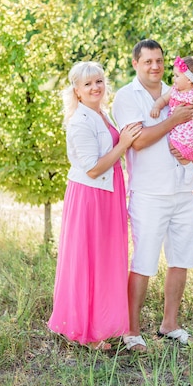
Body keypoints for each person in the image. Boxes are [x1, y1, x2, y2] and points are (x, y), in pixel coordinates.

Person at [48, 61, 142, 350]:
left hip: (108, 194)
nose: (95, 87)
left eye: (99, 81)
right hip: (90, 197)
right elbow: (91, 169)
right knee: (88, 261)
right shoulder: (80, 121)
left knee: (106, 260)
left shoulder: (101, 114)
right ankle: (86, 333)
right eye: (87, 84)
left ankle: (103, 324)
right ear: (76, 90)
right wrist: (123, 144)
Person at [112, 39, 193, 352]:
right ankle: (132, 330)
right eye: (148, 61)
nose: (155, 66)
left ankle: (169, 324)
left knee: (181, 259)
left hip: (183, 188)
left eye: (160, 60)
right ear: (135, 63)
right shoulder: (126, 97)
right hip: (149, 193)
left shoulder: (179, 90)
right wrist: (172, 120)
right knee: (144, 260)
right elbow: (138, 141)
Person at [150, 55, 193, 174]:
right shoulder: (174, 90)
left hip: (191, 129)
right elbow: (163, 99)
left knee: (178, 148)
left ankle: (190, 169)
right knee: (173, 146)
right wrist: (156, 107)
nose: (174, 79)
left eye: (177, 76)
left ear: (189, 80)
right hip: (178, 127)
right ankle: (188, 170)